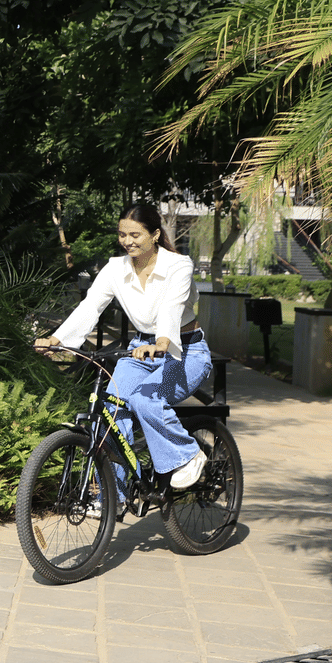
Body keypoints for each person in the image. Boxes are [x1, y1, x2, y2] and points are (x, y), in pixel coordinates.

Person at [34, 202, 214, 490]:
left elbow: (172, 307)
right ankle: (112, 497)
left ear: (155, 234)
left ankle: (188, 455)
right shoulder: (115, 268)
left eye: (135, 235)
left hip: (184, 351)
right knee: (109, 411)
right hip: (139, 351)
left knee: (146, 400)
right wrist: (57, 340)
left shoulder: (178, 265)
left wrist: (163, 342)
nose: (127, 241)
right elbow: (91, 306)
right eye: (122, 235)